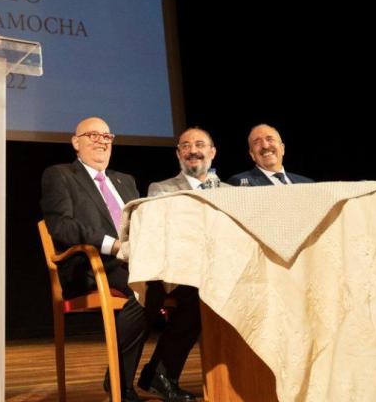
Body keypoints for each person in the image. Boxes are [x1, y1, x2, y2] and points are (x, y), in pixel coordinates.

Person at [41, 117, 200, 402]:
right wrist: (112, 246)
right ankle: (119, 381)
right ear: (76, 143)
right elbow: (61, 227)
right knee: (147, 286)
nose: (101, 141)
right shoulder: (60, 175)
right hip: (93, 265)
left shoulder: (124, 181)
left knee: (196, 292)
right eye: (92, 135)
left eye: (107, 136)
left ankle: (160, 375)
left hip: (138, 260)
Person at [226, 124, 313, 186]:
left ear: (282, 148)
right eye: (257, 142)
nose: (265, 145)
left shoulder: (307, 183)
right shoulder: (240, 182)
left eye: (270, 139)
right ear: (252, 154)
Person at [149, 127, 227, 194]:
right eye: (186, 146)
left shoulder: (229, 191)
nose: (193, 151)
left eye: (199, 145)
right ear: (178, 154)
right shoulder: (162, 190)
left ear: (212, 153)